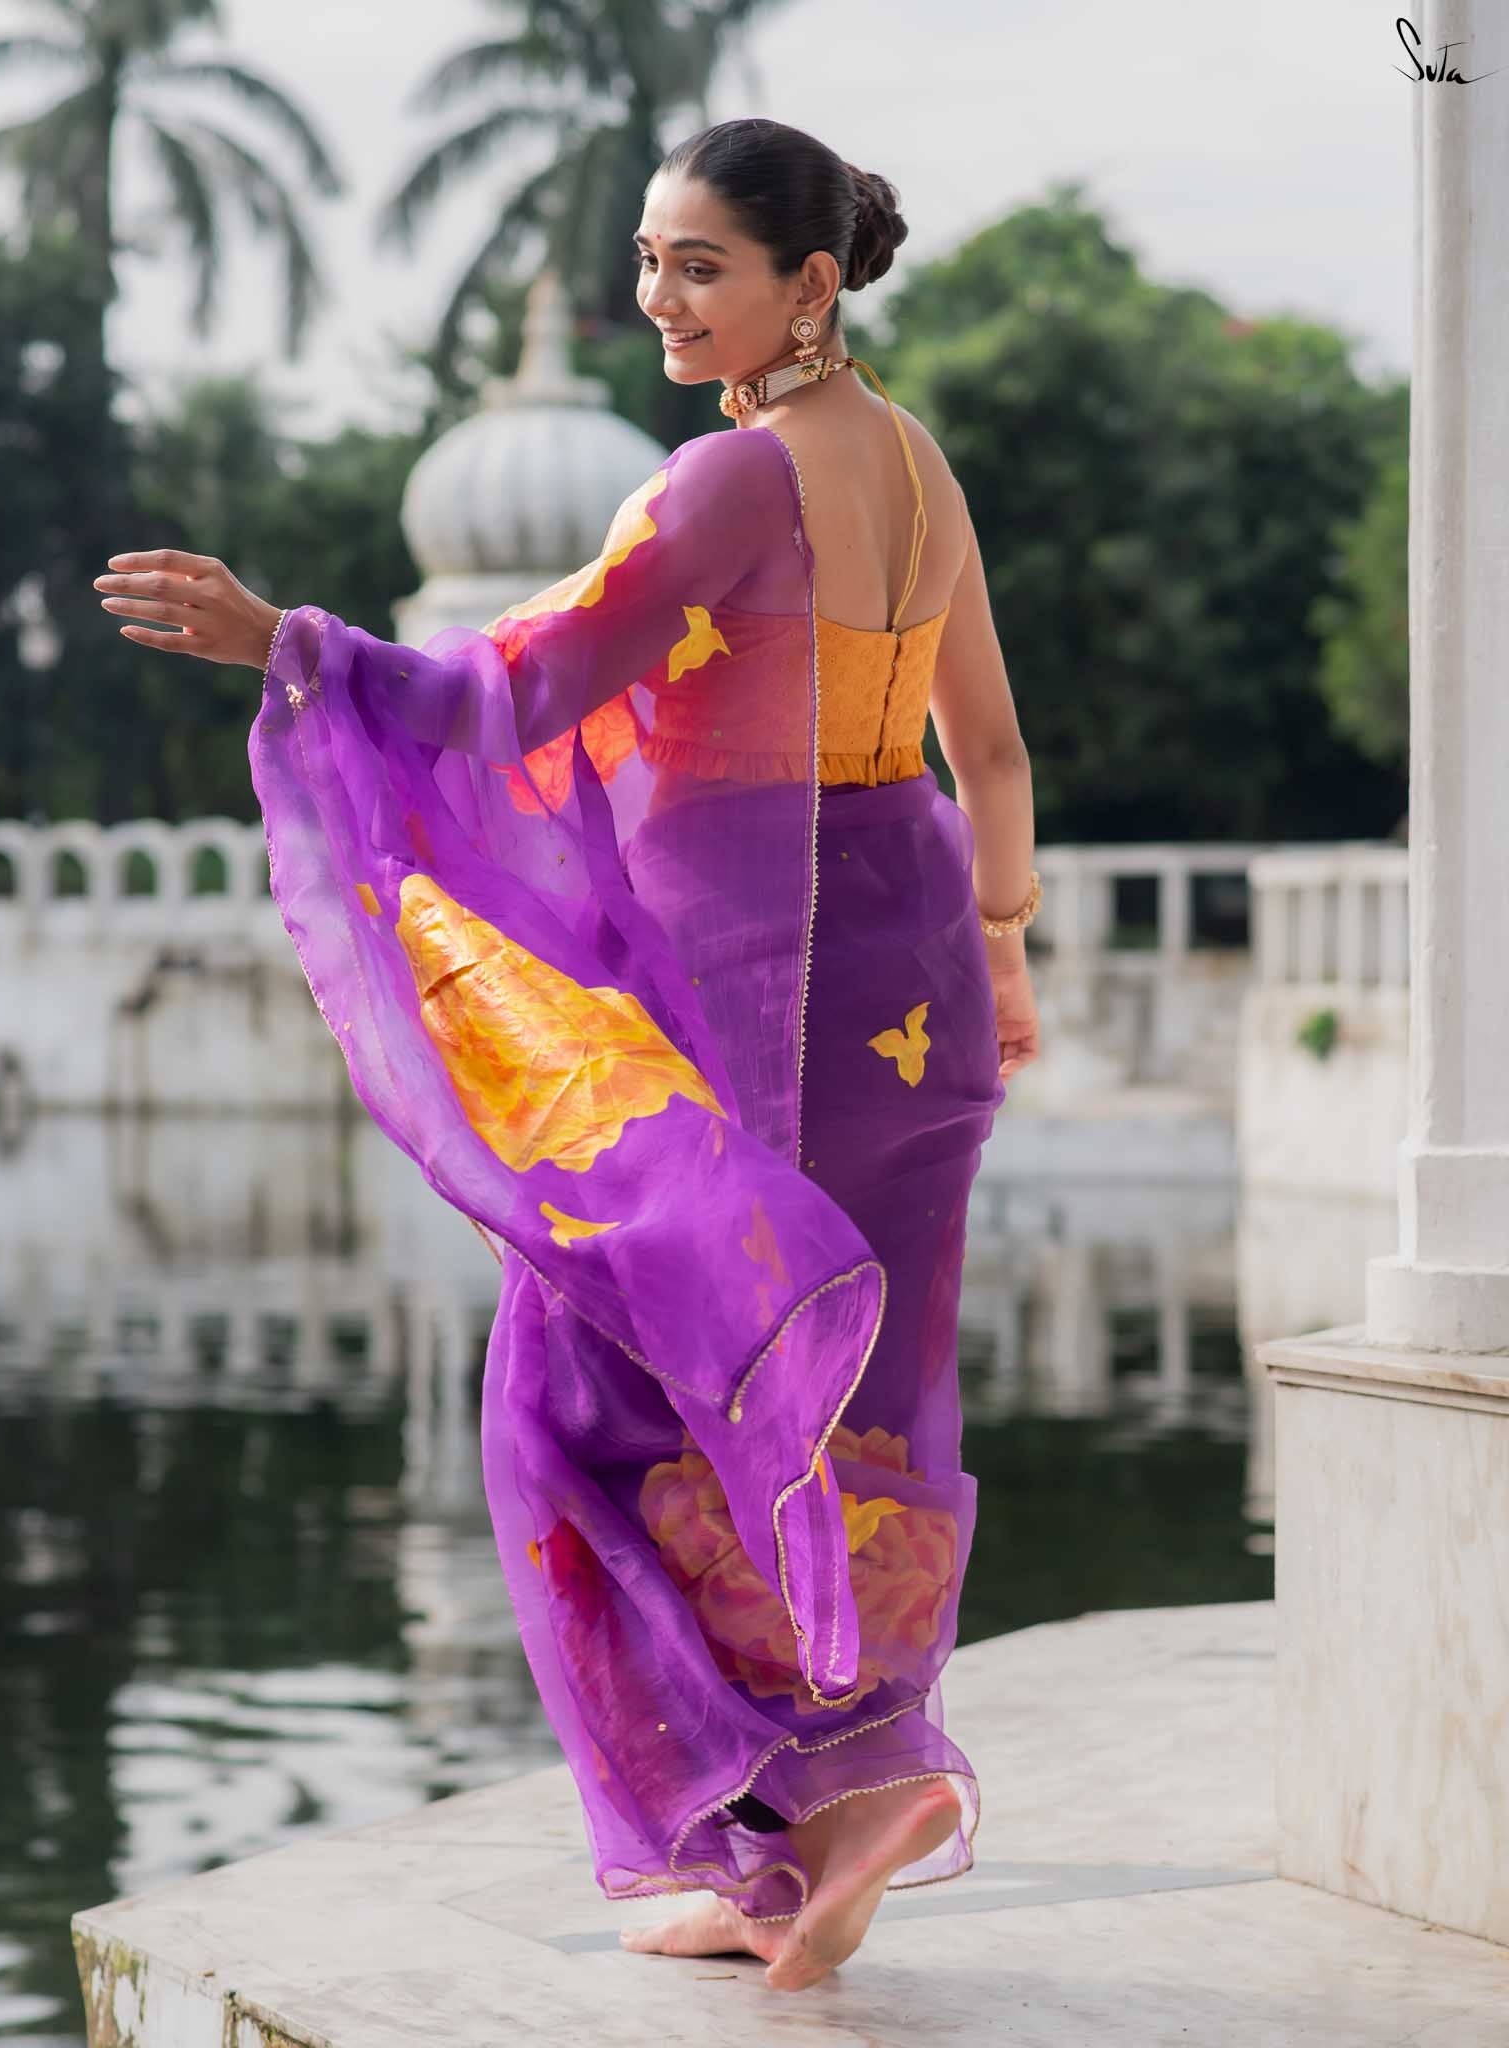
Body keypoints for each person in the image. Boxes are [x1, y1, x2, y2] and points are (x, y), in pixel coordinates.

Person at [92, 116, 1041, 1995]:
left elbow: (511, 687)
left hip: (747, 998)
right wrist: (1005, 951)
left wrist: (281, 638)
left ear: (810, 286)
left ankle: (795, 1805)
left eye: (701, 264)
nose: (660, 298)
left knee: (569, 1404)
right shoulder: (920, 472)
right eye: (648, 257)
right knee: (842, 1395)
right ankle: (833, 1805)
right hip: (912, 976)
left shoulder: (724, 488)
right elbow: (990, 752)